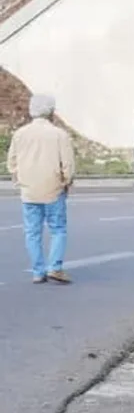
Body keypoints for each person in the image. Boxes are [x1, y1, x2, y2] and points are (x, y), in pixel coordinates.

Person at [6, 94, 75, 284]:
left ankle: (38, 271)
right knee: (58, 229)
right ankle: (55, 267)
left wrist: (19, 180)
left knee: (32, 232)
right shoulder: (59, 135)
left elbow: (11, 162)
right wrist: (66, 182)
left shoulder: (20, 134)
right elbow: (68, 164)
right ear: (51, 111)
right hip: (54, 189)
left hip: (28, 190)